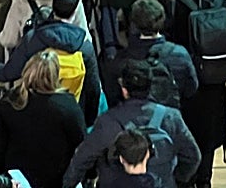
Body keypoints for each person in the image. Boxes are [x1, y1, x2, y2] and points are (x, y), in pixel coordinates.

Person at [63, 60, 201, 188]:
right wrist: (174, 179)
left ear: (124, 89)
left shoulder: (108, 122)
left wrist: (69, 184)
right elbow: (193, 156)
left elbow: (81, 160)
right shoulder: (171, 117)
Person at [164, 0, 226, 188]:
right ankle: (205, 180)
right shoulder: (221, 2)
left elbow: (172, 40)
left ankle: (189, 179)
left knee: (190, 135)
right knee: (209, 136)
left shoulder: (179, 6)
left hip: (189, 85)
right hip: (216, 82)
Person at [0, 0, 102, 126]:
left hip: (34, 110)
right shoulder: (84, 46)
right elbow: (93, 87)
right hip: (69, 112)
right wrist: (87, 119)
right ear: (75, 11)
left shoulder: (33, 38)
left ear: (53, 7)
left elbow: (11, 72)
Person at [0, 50, 87, 188]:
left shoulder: (9, 102)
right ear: (55, 75)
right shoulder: (68, 107)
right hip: (56, 180)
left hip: (17, 179)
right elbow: (81, 145)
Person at [101, 0, 199, 112]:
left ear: (133, 24)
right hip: (172, 118)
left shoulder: (119, 61)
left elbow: (112, 97)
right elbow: (191, 89)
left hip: (133, 122)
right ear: (162, 21)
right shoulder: (180, 54)